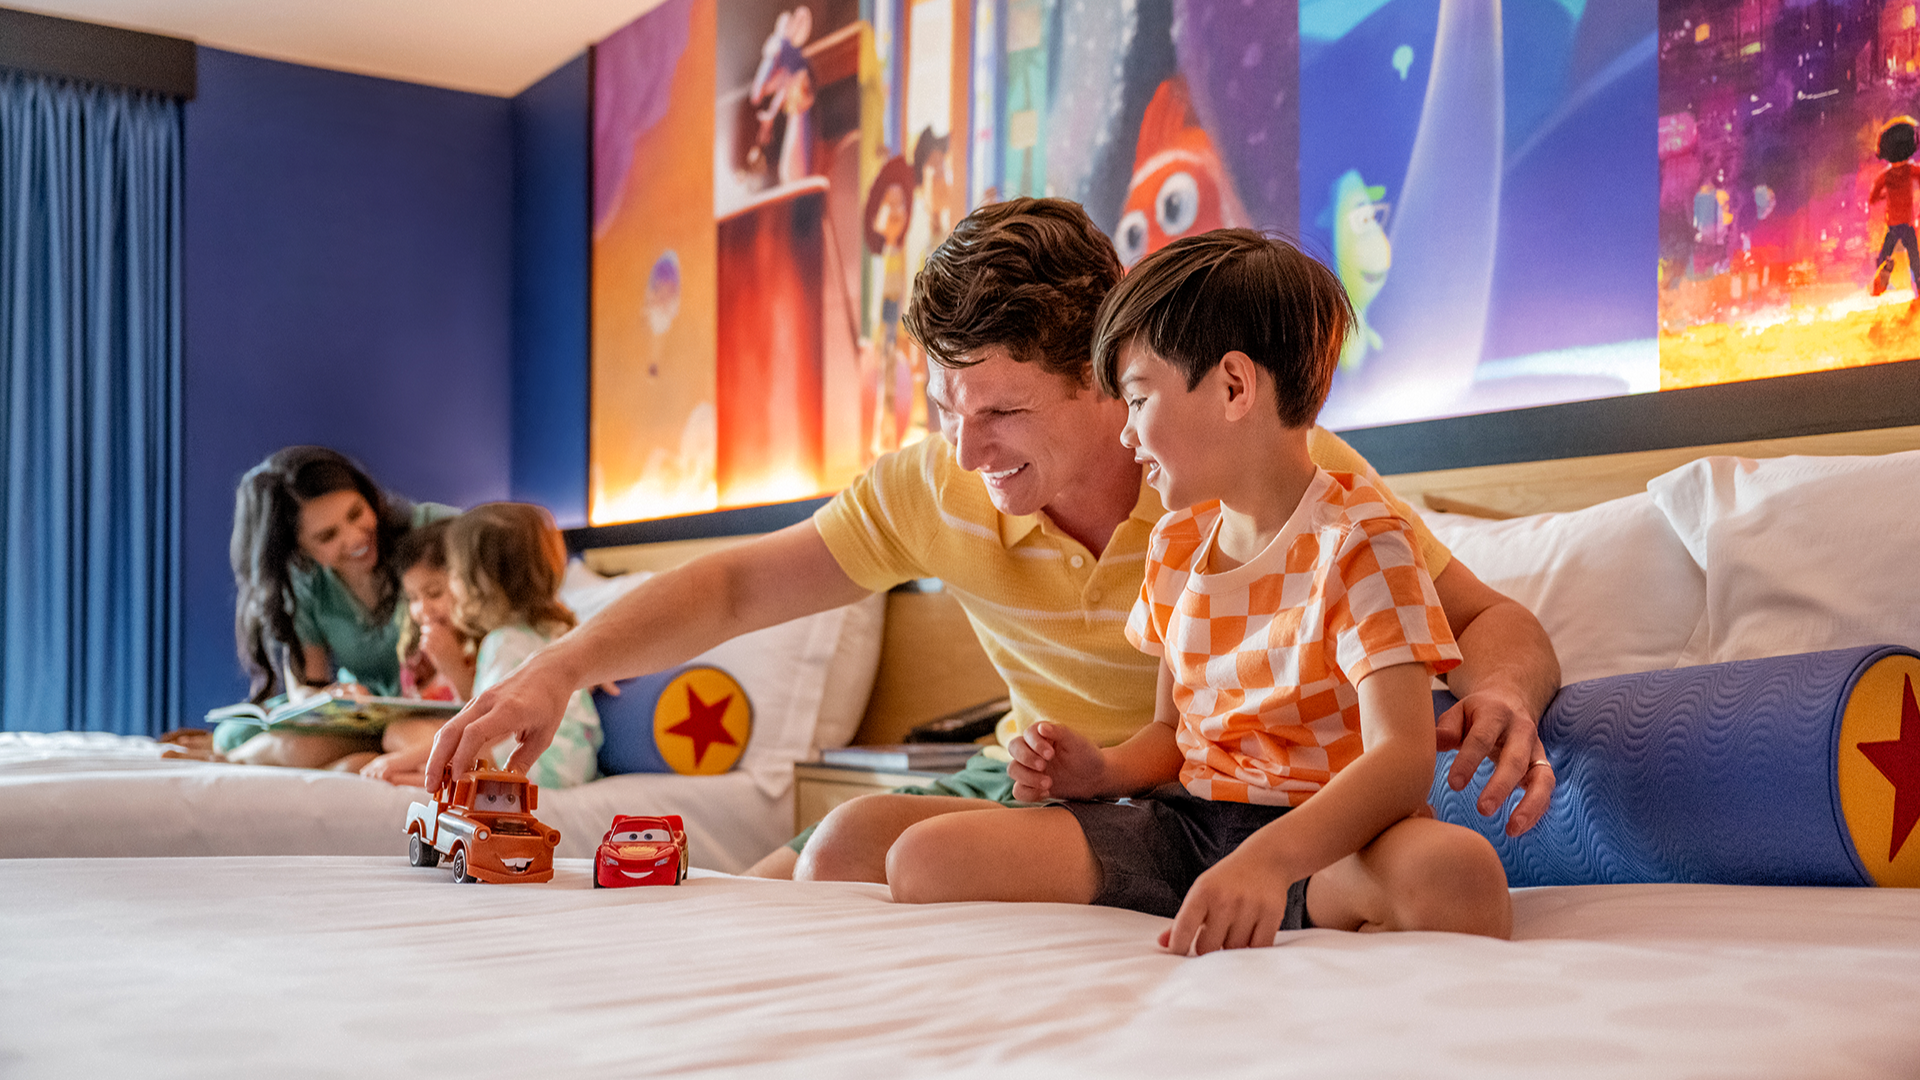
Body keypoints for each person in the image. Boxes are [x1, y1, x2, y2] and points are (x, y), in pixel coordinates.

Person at [425, 198, 1560, 880]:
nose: (967, 455)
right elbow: (733, 590)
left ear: (1114, 385)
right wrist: (557, 672)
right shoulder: (937, 485)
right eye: (946, 413)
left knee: (839, 864)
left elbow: (1492, 621)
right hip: (1029, 781)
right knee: (790, 875)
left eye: (1004, 413)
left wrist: (1503, 692)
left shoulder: (1269, 475)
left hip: (1217, 796)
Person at [885, 230, 1510, 950]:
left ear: (1234, 387)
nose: (1126, 435)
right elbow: (1170, 736)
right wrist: (1099, 771)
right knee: (921, 860)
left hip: (1317, 838)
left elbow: (1401, 761)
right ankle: (1206, 892)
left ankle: (1269, 897)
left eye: (1140, 399)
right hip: (1183, 827)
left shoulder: (1363, 541)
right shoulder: (1178, 544)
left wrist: (1266, 862)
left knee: (1455, 872)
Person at [223, 446, 458, 767]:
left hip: (447, 708)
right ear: (300, 552)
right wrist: (330, 697)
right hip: (371, 719)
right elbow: (307, 687)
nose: (354, 539)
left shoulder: (434, 531)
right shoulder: (307, 582)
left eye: (355, 513)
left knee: (301, 750)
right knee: (234, 734)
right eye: (328, 536)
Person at [441, 503, 603, 790]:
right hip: (578, 764)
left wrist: (403, 761)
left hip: (533, 767)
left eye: (454, 571)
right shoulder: (562, 632)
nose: (451, 582)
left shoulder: (503, 641)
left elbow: (487, 730)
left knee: (409, 736)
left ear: (482, 581)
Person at [359, 518, 475, 786]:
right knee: (389, 737)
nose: (422, 609)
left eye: (434, 593)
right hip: (427, 737)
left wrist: (453, 665)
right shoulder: (415, 652)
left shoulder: (482, 643)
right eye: (412, 598)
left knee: (400, 736)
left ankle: (443, 775)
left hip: (472, 740)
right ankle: (426, 772)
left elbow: (487, 712)